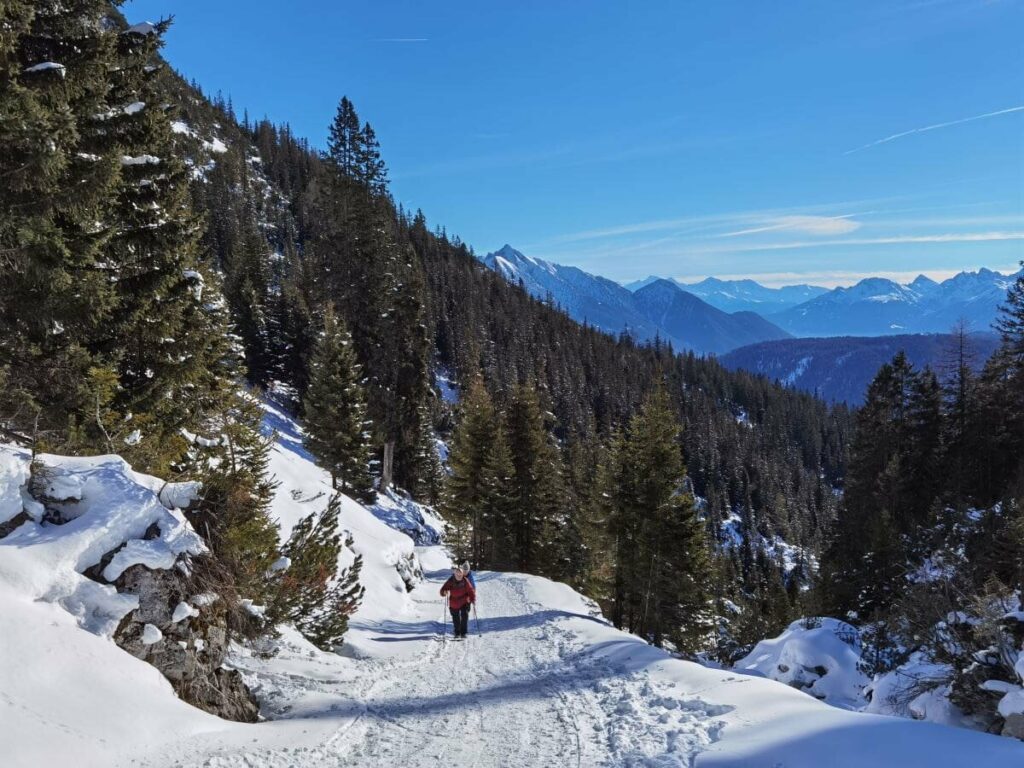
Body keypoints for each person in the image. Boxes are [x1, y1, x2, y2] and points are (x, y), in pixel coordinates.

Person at [440, 565, 476, 639]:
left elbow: (470, 590)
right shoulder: (451, 580)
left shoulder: (465, 580)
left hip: (464, 601)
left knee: (464, 615)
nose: (459, 575)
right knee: (455, 618)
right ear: (455, 574)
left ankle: (464, 633)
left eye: (460, 574)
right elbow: (443, 588)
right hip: (454, 601)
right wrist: (444, 592)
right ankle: (457, 633)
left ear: (462, 574)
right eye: (457, 574)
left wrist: (472, 599)